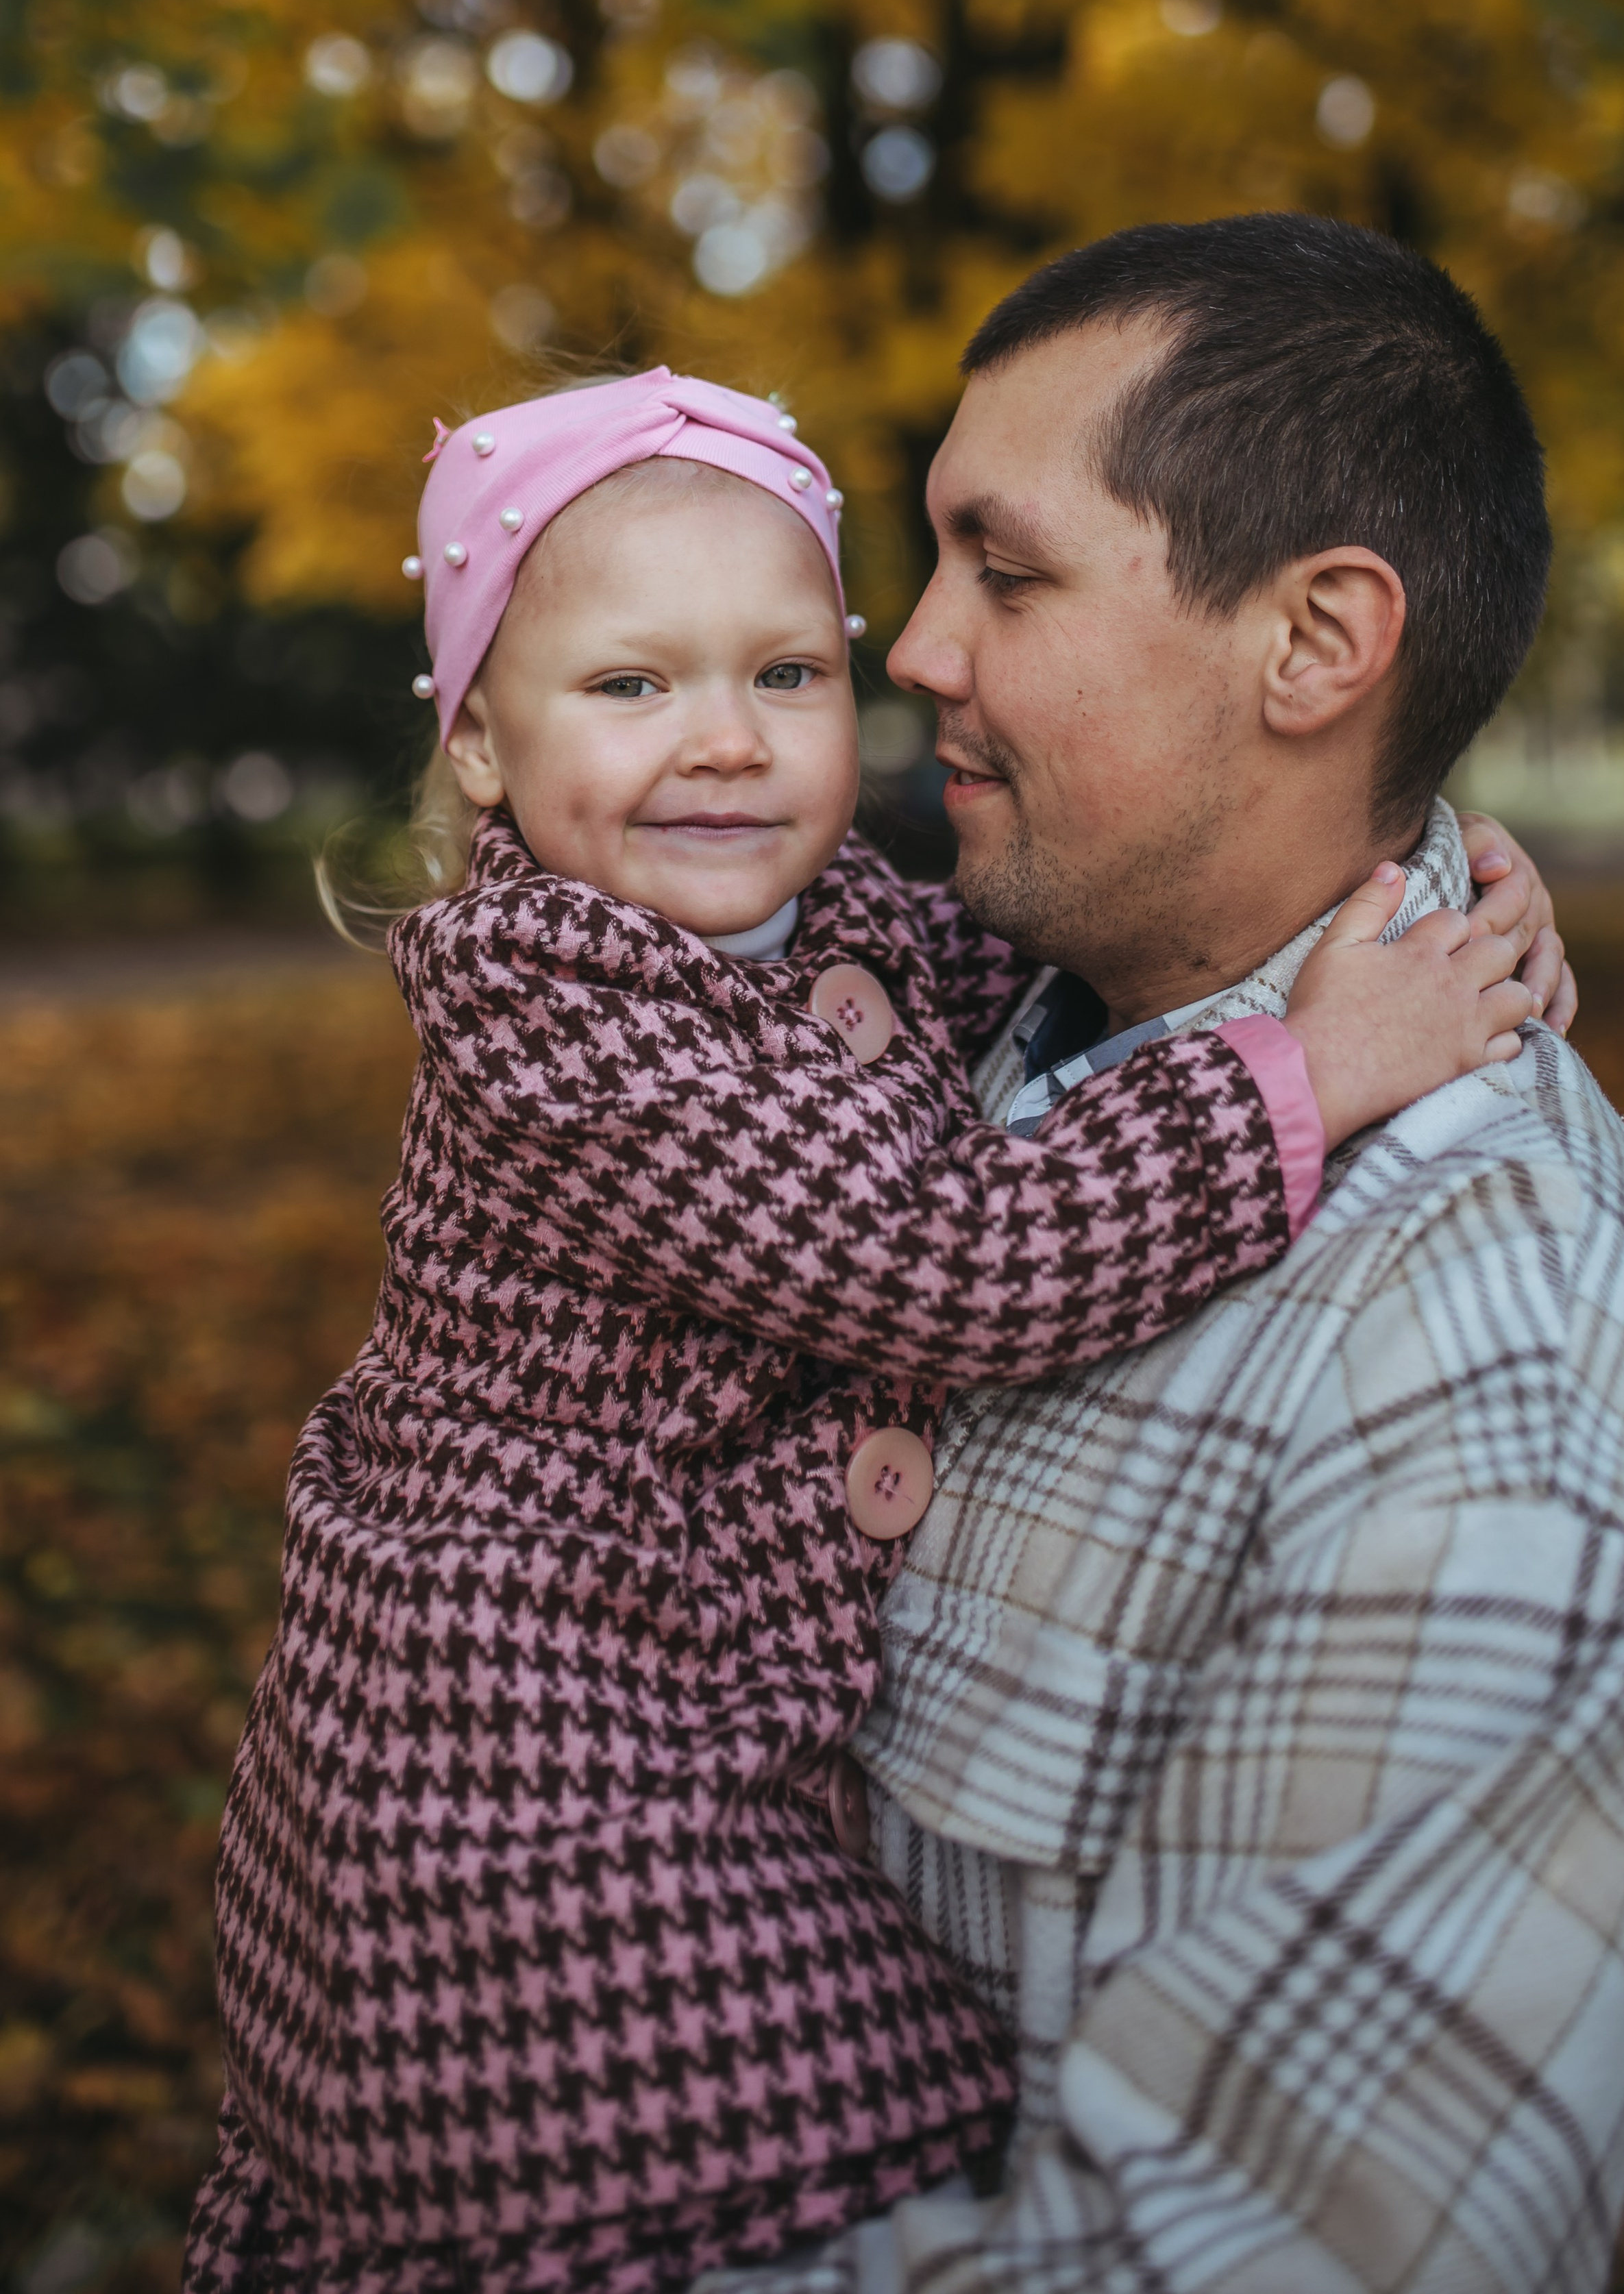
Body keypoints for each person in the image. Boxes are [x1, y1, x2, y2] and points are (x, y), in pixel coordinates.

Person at [181, 366, 1544, 2294]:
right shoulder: (550, 1004)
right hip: (525, 1761)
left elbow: (1108, 955)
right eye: (632, 687)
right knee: (714, 2167)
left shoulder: (832, 927)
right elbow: (945, 1255)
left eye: (787, 676)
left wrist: (1410, 874)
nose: (724, 743)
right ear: (483, 746)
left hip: (675, 1701)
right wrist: (1310, 1073)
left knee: (858, 2113)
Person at [551, 219, 1624, 2294]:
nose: (911, 651)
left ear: (1314, 646)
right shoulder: (971, 1018)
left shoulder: (1497, 1392)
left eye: (1003, 572)